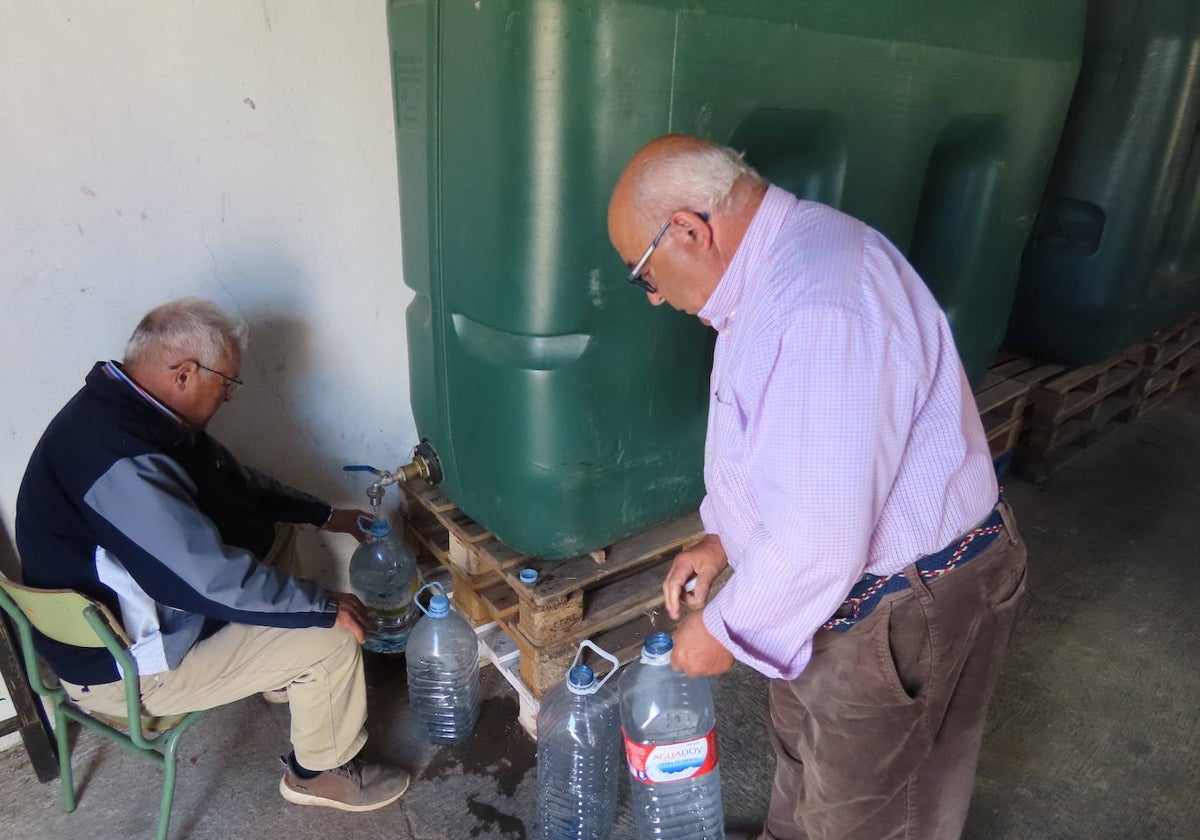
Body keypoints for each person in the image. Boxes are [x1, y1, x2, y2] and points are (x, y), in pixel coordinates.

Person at [607, 135, 1028, 840]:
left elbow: (819, 536)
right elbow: (798, 458)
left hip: (904, 605)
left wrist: (721, 628)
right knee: (807, 767)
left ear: (687, 230)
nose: (652, 297)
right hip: (845, 597)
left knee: (872, 813)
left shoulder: (820, 306)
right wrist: (726, 538)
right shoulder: (784, 268)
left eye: (642, 273)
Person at [15, 297, 410, 812]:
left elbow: (235, 484)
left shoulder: (131, 410)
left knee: (272, 536)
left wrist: (324, 514)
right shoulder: (120, 457)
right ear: (183, 373)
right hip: (126, 669)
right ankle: (317, 773)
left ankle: (285, 678)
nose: (228, 397)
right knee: (331, 639)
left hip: (133, 618)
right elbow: (200, 582)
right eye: (227, 383)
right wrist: (321, 608)